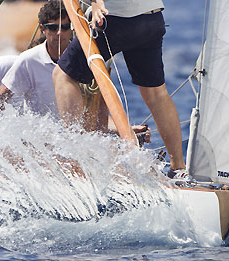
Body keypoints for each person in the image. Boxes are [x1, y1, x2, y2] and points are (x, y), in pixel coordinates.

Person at [52, 0, 187, 179]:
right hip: (152, 19)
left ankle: (75, 157)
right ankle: (178, 169)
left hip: (114, 19)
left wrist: (96, 2)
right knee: (156, 93)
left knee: (63, 75)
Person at [0, 0, 73, 119]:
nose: (59, 33)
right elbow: (1, 97)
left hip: (74, 135)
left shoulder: (84, 58)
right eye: (53, 28)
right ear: (42, 29)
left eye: (65, 27)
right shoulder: (28, 60)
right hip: (38, 134)